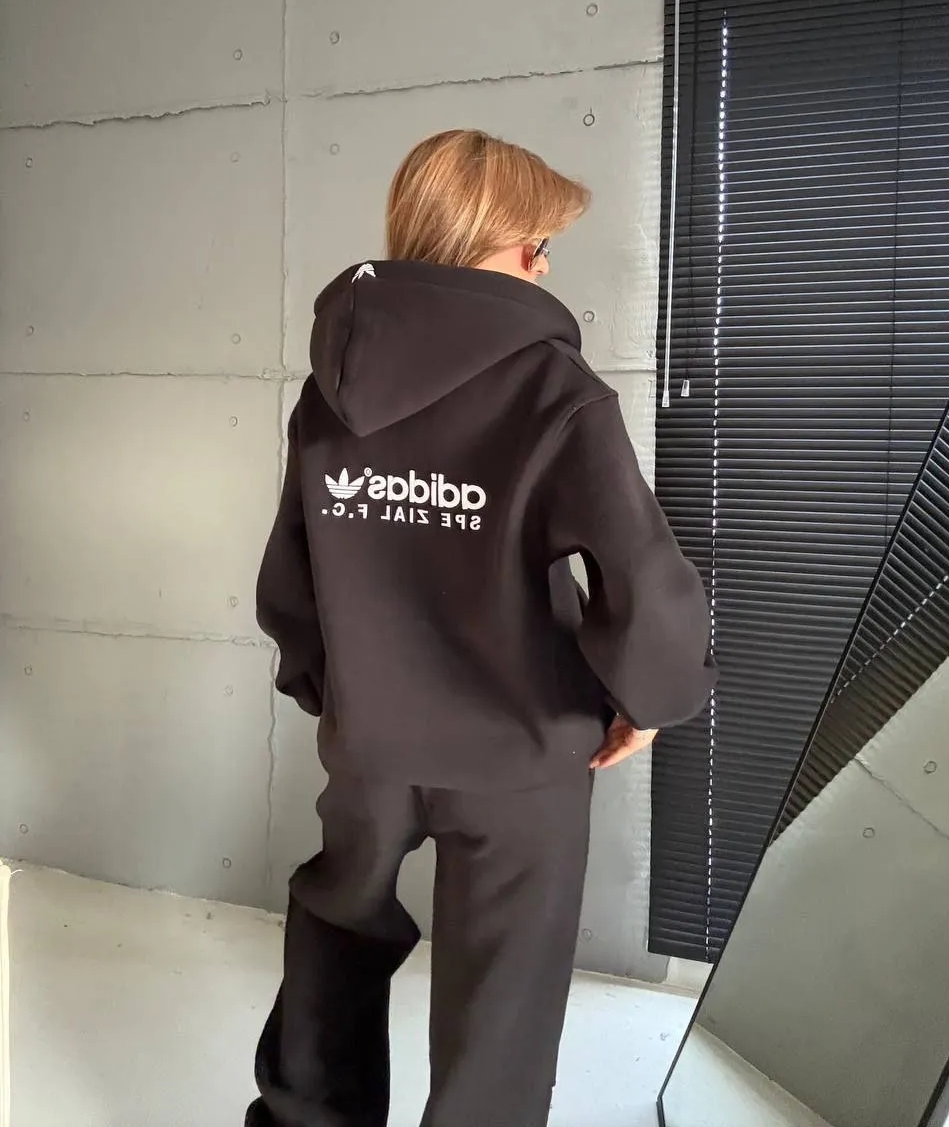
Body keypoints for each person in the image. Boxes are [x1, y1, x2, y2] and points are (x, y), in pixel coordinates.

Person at [247, 129, 716, 1127]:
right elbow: (641, 577)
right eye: (538, 244)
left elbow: (292, 572)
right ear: (492, 242)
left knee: (335, 931)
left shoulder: (330, 386)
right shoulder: (554, 389)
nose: (544, 267)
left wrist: (342, 695)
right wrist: (648, 698)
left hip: (371, 743)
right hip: (520, 748)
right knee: (501, 1000)